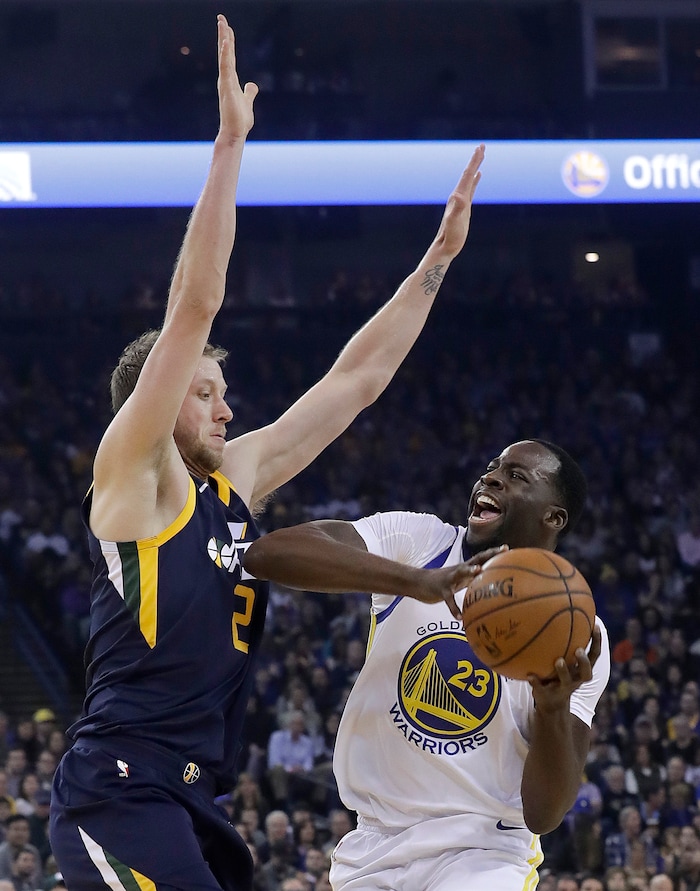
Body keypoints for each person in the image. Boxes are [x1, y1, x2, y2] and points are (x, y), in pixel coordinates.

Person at [48, 13, 487, 891]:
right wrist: (228, 147)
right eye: (204, 392)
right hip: (118, 788)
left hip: (198, 798)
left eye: (221, 391)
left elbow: (354, 382)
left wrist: (435, 260)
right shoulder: (134, 473)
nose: (226, 407)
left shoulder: (232, 481)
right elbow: (195, 305)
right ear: (158, 399)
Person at [243, 438, 611, 890]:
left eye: (517, 476)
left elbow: (544, 813)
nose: (491, 477)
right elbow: (267, 555)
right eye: (493, 466)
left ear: (552, 517)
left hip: (484, 851)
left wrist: (552, 708)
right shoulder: (422, 543)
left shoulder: (577, 633)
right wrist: (416, 582)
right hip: (374, 842)